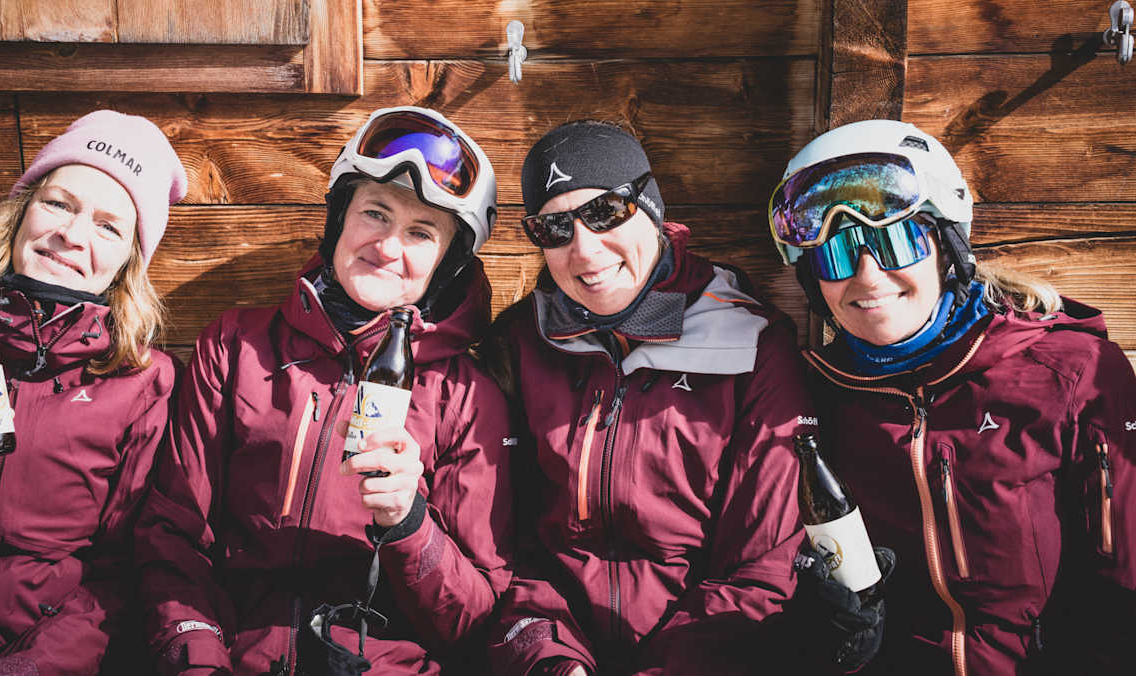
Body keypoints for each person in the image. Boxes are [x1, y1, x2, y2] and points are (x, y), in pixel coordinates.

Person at [135, 106, 514, 675]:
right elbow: (173, 536)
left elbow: (475, 618)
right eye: (375, 214)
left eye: (420, 233)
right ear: (340, 219)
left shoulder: (466, 396)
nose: (387, 247)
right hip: (234, 653)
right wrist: (198, 659)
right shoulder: (236, 345)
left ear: (447, 264)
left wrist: (411, 525)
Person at [768, 119, 1136, 675]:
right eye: (835, 257)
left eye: (895, 241)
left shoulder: (1071, 372)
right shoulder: (813, 399)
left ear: (945, 247)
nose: (867, 277)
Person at [482, 120, 817, 675]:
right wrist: (550, 660)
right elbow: (505, 550)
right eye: (555, 228)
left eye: (606, 212)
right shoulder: (521, 341)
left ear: (652, 209)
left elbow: (759, 570)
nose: (585, 250)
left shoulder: (748, 341)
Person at [0, 110, 186, 674]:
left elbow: (121, 573)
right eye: (59, 203)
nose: (71, 236)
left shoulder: (144, 385)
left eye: (109, 226)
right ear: (21, 212)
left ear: (128, 264)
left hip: (35, 651)